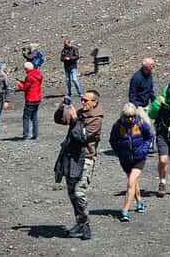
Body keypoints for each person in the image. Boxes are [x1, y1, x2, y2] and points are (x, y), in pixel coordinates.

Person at [54, 89, 104, 240]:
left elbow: (81, 137)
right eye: (82, 99)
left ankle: (86, 224)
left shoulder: (96, 119)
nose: (82, 103)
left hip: (85, 158)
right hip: (71, 157)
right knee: (71, 193)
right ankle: (80, 223)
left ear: (94, 102)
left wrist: (75, 119)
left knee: (79, 192)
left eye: (86, 100)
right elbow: (59, 120)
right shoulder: (81, 112)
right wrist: (62, 108)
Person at [109, 102, 153, 222]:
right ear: (123, 115)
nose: (129, 119)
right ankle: (139, 202)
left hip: (139, 158)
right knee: (132, 182)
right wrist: (119, 152)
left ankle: (125, 210)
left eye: (132, 116)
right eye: (127, 116)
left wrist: (144, 150)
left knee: (131, 182)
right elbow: (112, 140)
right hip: (125, 159)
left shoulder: (140, 123)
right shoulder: (118, 125)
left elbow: (149, 136)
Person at [16, 61, 43, 140]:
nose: (25, 71)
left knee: (26, 117)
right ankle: (36, 134)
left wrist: (19, 84)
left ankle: (26, 134)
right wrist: (22, 82)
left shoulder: (29, 76)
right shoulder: (38, 74)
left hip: (30, 99)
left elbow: (25, 88)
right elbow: (31, 83)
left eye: (25, 69)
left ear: (27, 69)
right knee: (34, 116)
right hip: (37, 98)